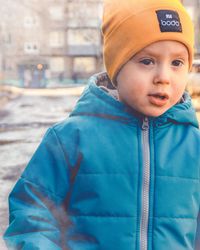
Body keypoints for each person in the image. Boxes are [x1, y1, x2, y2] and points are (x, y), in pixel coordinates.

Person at [4, 0, 200, 249]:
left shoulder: (194, 147)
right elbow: (32, 213)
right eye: (147, 61)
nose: (163, 77)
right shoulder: (70, 139)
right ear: (117, 67)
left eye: (177, 63)